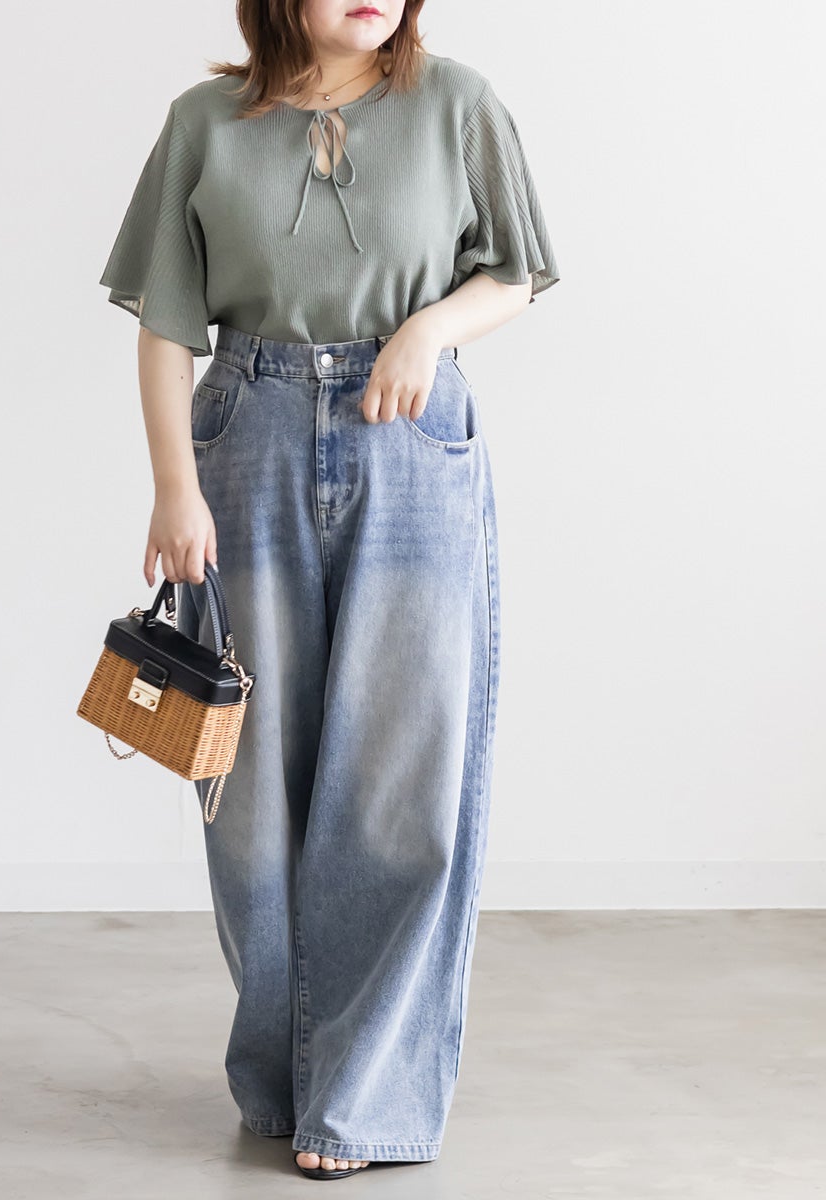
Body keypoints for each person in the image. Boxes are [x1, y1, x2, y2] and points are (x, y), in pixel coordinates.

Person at [97, 0, 560, 1182]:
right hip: (244, 439)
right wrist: (172, 488)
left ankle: (362, 1101)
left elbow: (514, 273)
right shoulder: (204, 122)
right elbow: (164, 323)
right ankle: (285, 1077)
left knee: (398, 779)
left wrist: (429, 331)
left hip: (411, 442)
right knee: (249, 792)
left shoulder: (456, 104)